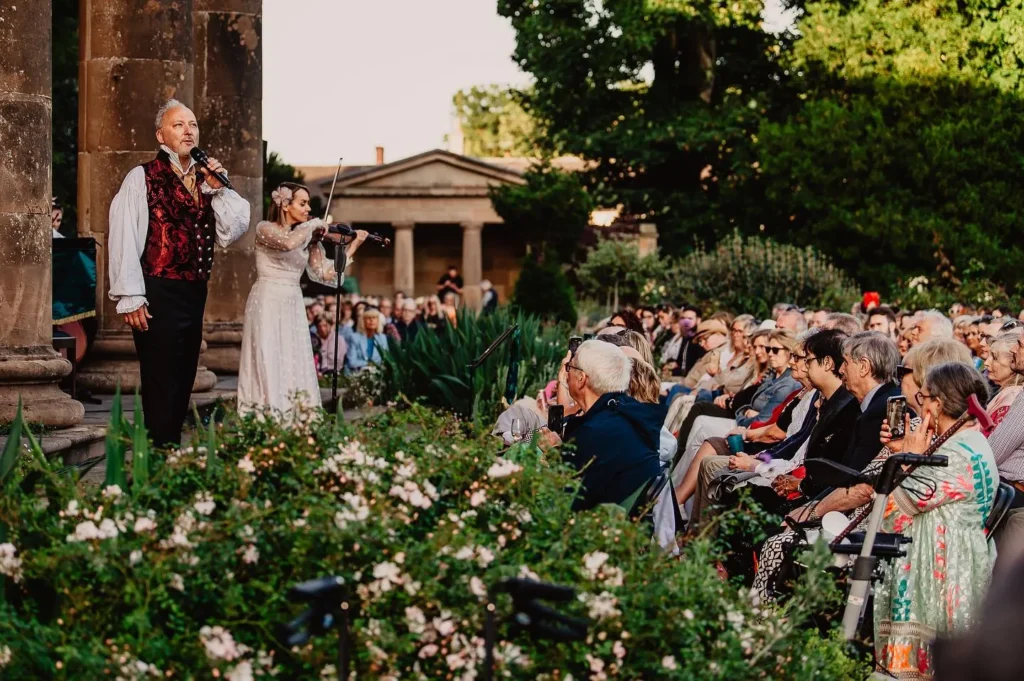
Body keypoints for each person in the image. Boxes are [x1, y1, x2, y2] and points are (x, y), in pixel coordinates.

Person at [108, 99, 250, 447]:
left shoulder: (206, 181)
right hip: (158, 290)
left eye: (193, 125)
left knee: (184, 374)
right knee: (161, 376)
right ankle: (159, 452)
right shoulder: (142, 177)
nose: (188, 131)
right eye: (179, 125)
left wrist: (218, 188)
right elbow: (124, 234)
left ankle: (169, 449)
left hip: (194, 291)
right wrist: (131, 295)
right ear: (161, 135)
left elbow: (233, 230)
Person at [874, 362, 997, 680]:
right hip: (960, 561)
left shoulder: (951, 455)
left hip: (937, 570)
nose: (919, 403)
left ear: (938, 404)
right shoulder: (971, 441)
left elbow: (892, 513)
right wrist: (905, 451)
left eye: (923, 396)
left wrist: (908, 461)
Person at [237, 182, 368, 417]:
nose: (308, 208)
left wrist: (353, 246)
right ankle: (266, 417)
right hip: (267, 300)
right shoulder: (265, 229)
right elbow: (287, 243)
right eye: (303, 203)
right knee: (268, 358)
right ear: (285, 205)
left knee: (292, 358)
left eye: (308, 204)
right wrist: (314, 225)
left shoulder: (308, 238)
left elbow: (327, 274)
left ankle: (296, 418)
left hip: (293, 302)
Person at [536, 340, 662, 511]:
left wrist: (552, 453)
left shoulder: (596, 430)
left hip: (597, 521)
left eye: (569, 368)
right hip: (623, 518)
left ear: (581, 379)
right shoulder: (627, 414)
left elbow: (566, 495)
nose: (566, 374)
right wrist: (559, 449)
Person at [984, 330, 1024, 427]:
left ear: (1013, 362)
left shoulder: (1013, 397)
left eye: (995, 358)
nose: (986, 363)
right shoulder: (997, 391)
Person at [345, 308, 389, 374]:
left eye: (374, 318)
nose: (371, 320)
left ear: (378, 321)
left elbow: (386, 360)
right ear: (363, 321)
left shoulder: (382, 338)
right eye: (368, 318)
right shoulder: (354, 338)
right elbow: (352, 362)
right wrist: (368, 364)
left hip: (377, 374)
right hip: (357, 373)